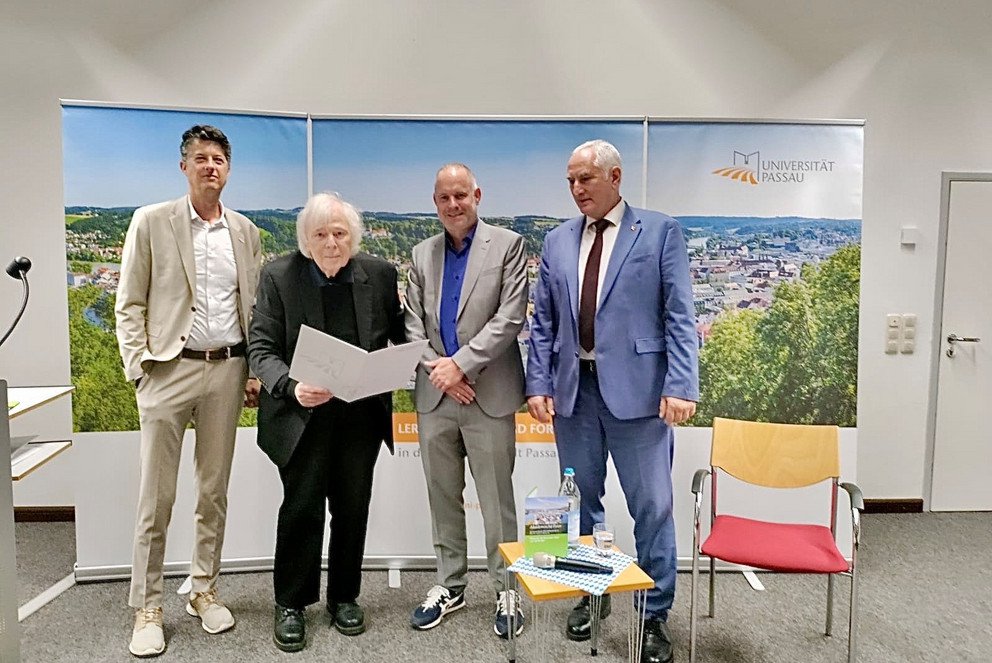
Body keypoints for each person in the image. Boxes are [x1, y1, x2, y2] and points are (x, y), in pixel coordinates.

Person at [525, 139, 699, 663]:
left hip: (641, 395)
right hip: (573, 393)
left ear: (615, 177)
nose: (576, 189)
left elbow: (679, 314)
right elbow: (543, 321)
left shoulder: (660, 231)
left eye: (586, 179)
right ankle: (591, 593)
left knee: (652, 507)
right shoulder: (557, 240)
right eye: (571, 181)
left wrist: (681, 384)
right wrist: (538, 383)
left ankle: (653, 616)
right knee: (580, 501)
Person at [115, 125, 262, 658]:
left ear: (228, 169)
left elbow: (252, 307)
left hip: (227, 371)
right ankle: (148, 606)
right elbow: (129, 302)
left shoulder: (245, 231)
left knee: (213, 491)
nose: (210, 166)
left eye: (218, 159)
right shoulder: (152, 221)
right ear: (184, 167)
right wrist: (140, 369)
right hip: (168, 371)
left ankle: (203, 589)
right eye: (200, 158)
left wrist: (253, 370)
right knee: (156, 497)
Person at [248, 192, 405, 653]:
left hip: (360, 415)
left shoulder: (380, 274)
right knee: (302, 509)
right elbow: (261, 349)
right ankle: (291, 603)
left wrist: (406, 362)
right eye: (321, 234)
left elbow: (399, 335)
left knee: (353, 508)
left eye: (340, 233)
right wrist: (292, 386)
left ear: (353, 237)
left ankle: (344, 596)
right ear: (306, 239)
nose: (332, 243)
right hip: (302, 415)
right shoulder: (279, 276)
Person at [404, 163, 528, 638]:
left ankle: (506, 589)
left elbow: (510, 318)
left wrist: (460, 366)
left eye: (461, 195)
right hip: (435, 396)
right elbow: (411, 325)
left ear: (477, 195)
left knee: (496, 500)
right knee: (442, 496)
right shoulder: (421, 253)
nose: (453, 204)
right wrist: (441, 372)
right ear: (435, 203)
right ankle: (449, 584)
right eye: (444, 198)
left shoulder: (509, 245)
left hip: (487, 394)